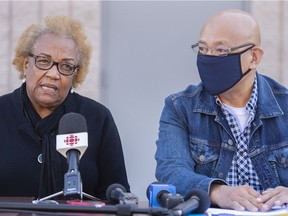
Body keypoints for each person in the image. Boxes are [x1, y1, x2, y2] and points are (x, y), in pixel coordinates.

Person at [155, 9, 288, 212]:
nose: (209, 57)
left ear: (254, 57)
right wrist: (217, 192)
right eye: (203, 49)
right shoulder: (180, 107)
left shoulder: (284, 106)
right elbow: (170, 170)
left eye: (221, 51)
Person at [0, 15, 130, 200]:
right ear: (26, 64)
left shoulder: (98, 118)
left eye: (66, 66)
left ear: (75, 74)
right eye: (44, 61)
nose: (53, 74)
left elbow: (116, 192)